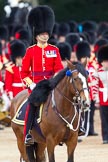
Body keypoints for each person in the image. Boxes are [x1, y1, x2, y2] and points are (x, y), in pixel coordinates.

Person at [20, 5, 63, 145]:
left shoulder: (54, 50)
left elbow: (58, 68)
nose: (45, 35)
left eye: (46, 33)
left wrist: (55, 80)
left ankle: (68, 129)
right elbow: (24, 72)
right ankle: (27, 134)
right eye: (42, 33)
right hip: (36, 85)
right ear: (36, 34)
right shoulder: (30, 51)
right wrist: (31, 84)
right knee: (31, 106)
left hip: (51, 83)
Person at [92, 45, 108, 144]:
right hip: (103, 99)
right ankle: (105, 137)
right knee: (104, 120)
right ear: (101, 62)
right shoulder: (97, 73)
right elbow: (95, 87)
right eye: (105, 61)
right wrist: (96, 100)